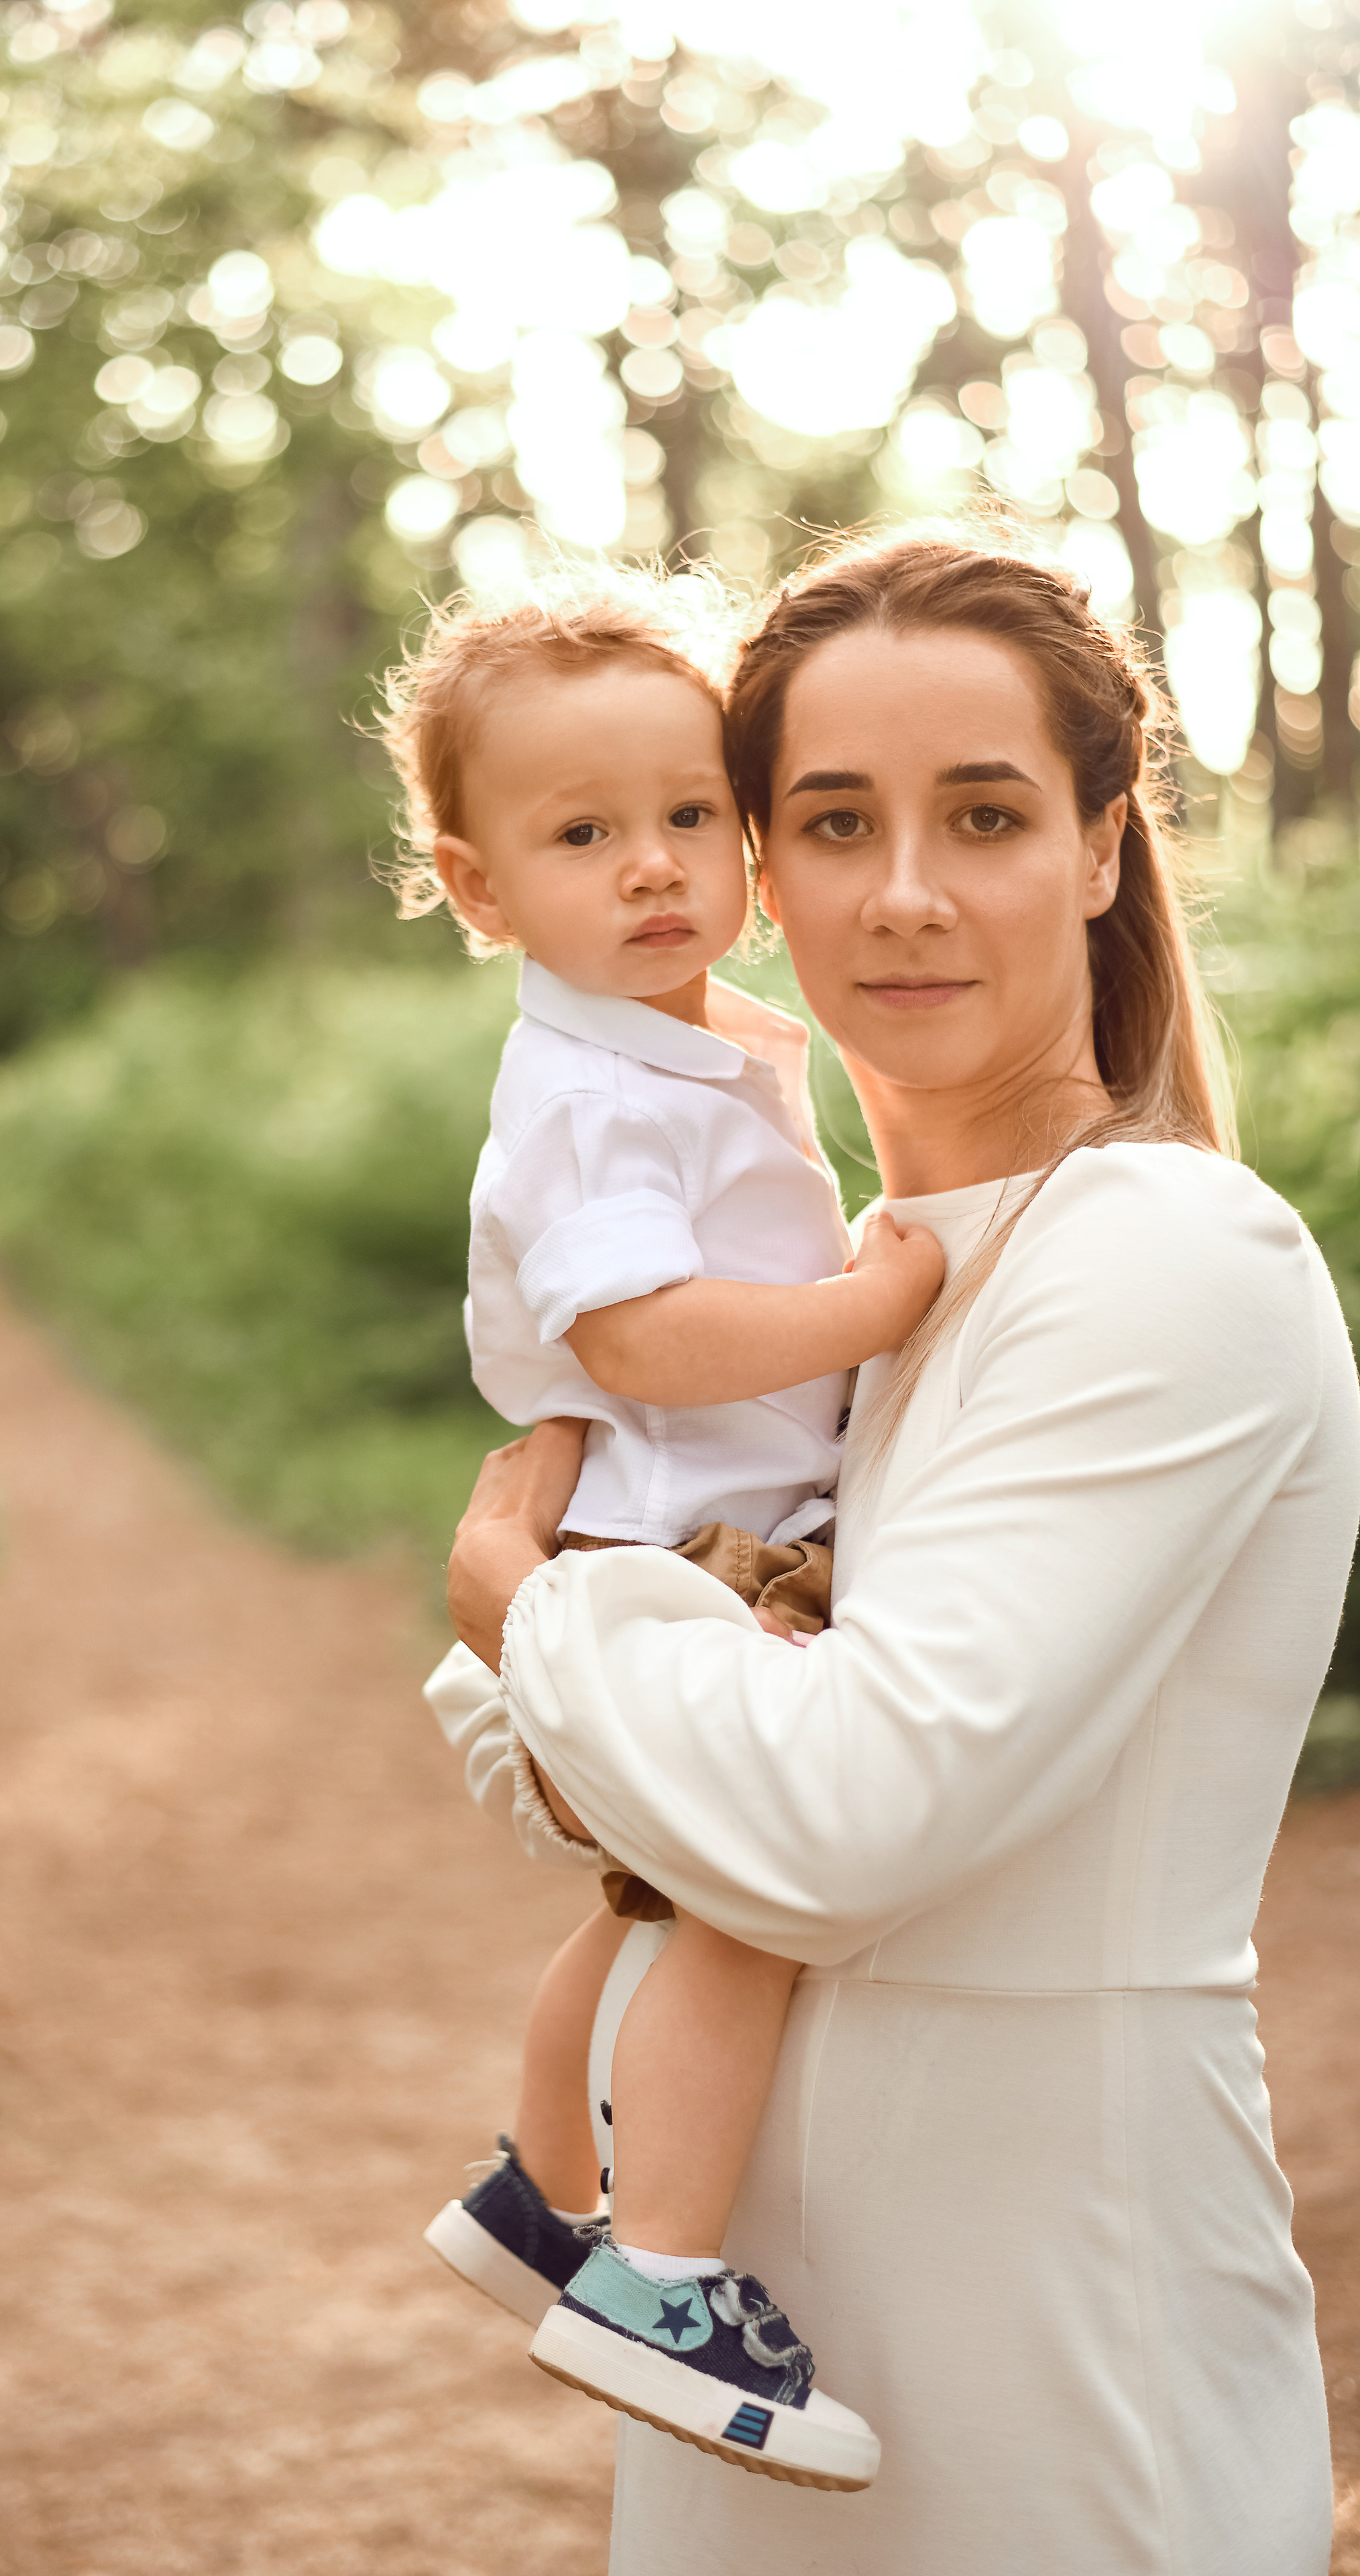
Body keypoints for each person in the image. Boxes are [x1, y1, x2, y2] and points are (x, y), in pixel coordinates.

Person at [434, 532, 1360, 2575]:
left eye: (990, 816)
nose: (908, 892)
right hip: (757, 2323)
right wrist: (589, 1662)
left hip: (1052, 2328)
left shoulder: (1161, 1253)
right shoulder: (834, 1298)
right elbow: (600, 1795)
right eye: (835, 822)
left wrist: (535, 1605)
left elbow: (843, 1814)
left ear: (1106, 852)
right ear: (753, 863)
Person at [382, 568, 943, 2487]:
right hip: (687, 1553)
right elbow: (641, 1334)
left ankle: (546, 2198)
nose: (653, 869)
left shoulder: (682, 1037)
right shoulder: (596, 1097)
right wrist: (874, 1307)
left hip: (665, 1533)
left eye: (690, 815)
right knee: (745, 1906)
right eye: (584, 834)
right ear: (477, 889)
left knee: (646, 1905)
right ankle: (659, 2276)